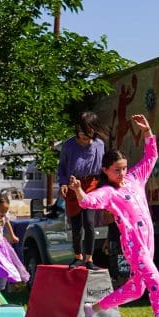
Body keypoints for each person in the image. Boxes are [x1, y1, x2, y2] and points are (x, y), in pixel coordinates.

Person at [68, 114, 159, 317]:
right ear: (105, 170)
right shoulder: (109, 193)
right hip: (134, 247)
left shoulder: (135, 179)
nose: (122, 173)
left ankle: (92, 309)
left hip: (149, 244)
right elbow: (88, 202)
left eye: (124, 168)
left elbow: (151, 156)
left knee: (137, 289)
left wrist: (147, 132)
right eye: (117, 170)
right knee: (157, 286)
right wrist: (78, 191)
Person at [57, 112, 105, 270]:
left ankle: (89, 259)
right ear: (77, 129)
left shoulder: (99, 144)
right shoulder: (69, 145)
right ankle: (78, 257)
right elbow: (62, 167)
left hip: (91, 183)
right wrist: (63, 183)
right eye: (82, 132)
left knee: (89, 223)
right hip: (73, 183)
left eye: (89, 132)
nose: (85, 136)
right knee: (76, 225)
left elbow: (102, 168)